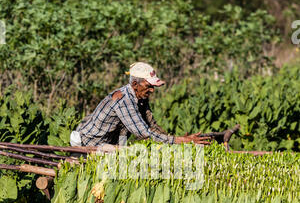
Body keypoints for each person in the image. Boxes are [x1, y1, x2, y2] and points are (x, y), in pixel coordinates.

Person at [70, 62, 210, 148]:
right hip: (90, 144)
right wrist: (180, 141)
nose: (152, 90)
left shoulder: (140, 97)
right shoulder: (124, 100)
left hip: (112, 143)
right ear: (135, 84)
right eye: (149, 86)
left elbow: (151, 125)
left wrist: (177, 140)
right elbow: (144, 134)